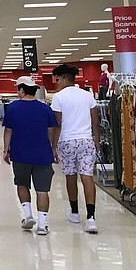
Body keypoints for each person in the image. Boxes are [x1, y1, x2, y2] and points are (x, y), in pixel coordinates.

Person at [2, 76, 59, 235]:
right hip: (42, 154)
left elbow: (8, 130)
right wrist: (53, 149)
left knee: (22, 184)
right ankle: (42, 225)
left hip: (20, 154)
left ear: (21, 89)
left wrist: (6, 150)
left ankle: (27, 216)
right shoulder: (45, 108)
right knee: (42, 190)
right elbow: (51, 130)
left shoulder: (12, 108)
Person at [51, 64, 100, 234]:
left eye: (57, 79)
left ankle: (74, 212)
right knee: (87, 177)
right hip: (86, 140)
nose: (57, 83)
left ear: (64, 78)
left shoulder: (58, 98)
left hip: (67, 141)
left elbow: (57, 124)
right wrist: (97, 141)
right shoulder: (87, 96)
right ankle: (91, 218)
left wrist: (53, 147)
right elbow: (95, 121)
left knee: (70, 176)